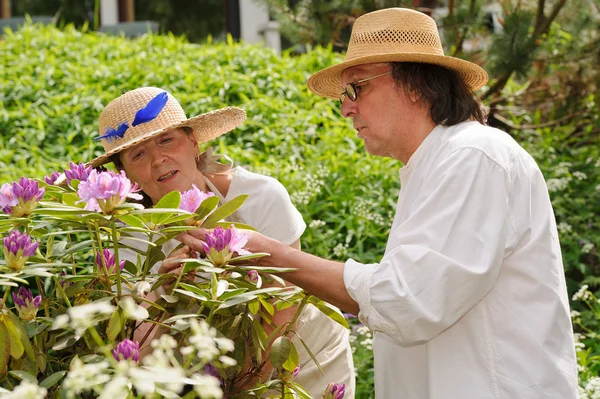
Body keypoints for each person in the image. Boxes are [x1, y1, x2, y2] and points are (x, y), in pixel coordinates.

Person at [179, 8, 579, 399]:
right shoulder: (437, 164)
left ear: (417, 84)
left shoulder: (474, 156)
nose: (345, 107)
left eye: (357, 87)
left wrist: (268, 253)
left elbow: (407, 300)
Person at [89, 87, 355, 397]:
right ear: (126, 175)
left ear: (194, 143)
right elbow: (135, 344)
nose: (158, 159)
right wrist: (163, 290)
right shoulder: (129, 236)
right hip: (204, 372)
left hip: (300, 356)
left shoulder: (259, 197)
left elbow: (284, 305)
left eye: (167, 140)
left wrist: (243, 390)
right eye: (138, 153)